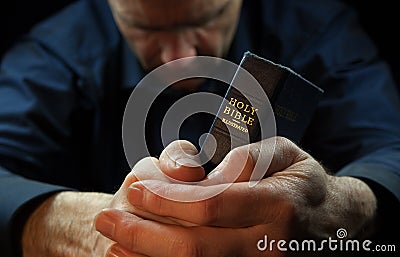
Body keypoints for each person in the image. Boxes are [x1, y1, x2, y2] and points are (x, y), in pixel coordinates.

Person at [0, 0, 399, 256]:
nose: (181, 57)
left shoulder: (318, 31)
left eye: (206, 20)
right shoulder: (56, 53)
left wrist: (344, 208)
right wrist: (87, 227)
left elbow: (390, 149)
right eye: (147, 29)